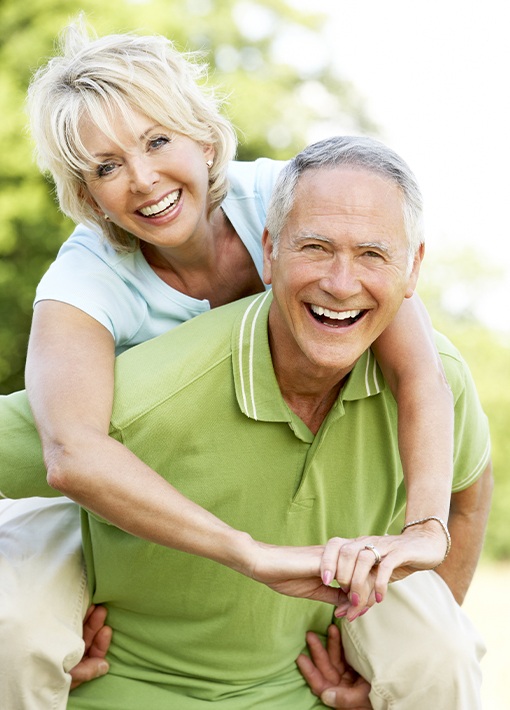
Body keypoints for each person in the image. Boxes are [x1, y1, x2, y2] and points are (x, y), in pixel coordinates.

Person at [0, 20, 455, 707]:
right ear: (88, 195)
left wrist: (426, 525)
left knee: (439, 653)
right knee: (16, 630)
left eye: (157, 141)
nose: (143, 178)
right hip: (122, 504)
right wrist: (250, 553)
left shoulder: (296, 202)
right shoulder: (83, 284)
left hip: (302, 487)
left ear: (203, 138)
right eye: (106, 166)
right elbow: (72, 454)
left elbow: (421, 371)